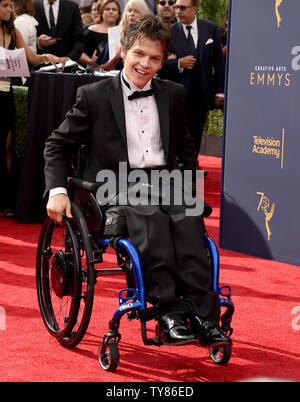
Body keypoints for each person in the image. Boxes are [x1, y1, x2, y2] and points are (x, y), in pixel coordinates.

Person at [44, 15, 231, 347]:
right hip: (114, 188)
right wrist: (58, 190)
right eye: (139, 54)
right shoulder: (94, 95)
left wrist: (187, 186)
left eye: (155, 58)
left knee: (188, 216)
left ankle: (203, 316)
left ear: (164, 60)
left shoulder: (173, 94)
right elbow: (57, 144)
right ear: (124, 49)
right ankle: (167, 312)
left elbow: (186, 148)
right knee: (148, 212)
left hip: (164, 183)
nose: (146, 64)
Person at [0, 0, 66, 218]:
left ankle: (8, 200)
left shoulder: (14, 31)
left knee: (11, 145)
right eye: (5, 5)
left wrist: (49, 57)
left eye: (11, 6)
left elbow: (31, 58)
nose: (10, 10)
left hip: (12, 93)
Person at [159, 0, 225, 157]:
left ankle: (192, 165)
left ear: (195, 8)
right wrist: (178, 63)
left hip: (202, 92)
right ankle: (177, 165)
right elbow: (159, 66)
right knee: (177, 132)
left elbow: (219, 63)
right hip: (178, 92)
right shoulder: (168, 32)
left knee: (196, 131)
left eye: (182, 7)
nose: (178, 11)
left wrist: (220, 91)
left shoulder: (210, 28)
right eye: (176, 7)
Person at [96, 0, 149, 71]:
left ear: (144, 14)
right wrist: (116, 57)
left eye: (136, 11)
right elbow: (101, 68)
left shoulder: (150, 36)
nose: (132, 14)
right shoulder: (116, 34)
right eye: (129, 11)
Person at [79, 0, 121, 67]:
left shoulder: (123, 32)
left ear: (118, 13)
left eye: (114, 9)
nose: (111, 11)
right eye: (107, 9)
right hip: (92, 73)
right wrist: (90, 61)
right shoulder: (91, 30)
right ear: (101, 12)